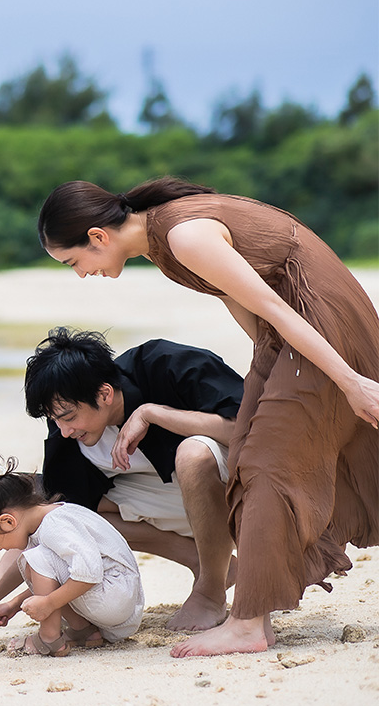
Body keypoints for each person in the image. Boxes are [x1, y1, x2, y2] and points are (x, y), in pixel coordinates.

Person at [36, 176, 379, 658]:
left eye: (74, 262)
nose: (80, 274)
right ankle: (254, 615)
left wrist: (349, 381)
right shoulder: (163, 244)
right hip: (285, 335)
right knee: (250, 455)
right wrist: (266, 370)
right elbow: (240, 303)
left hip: (315, 320)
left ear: (97, 236)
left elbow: (275, 305)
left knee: (266, 463)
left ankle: (248, 624)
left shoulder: (183, 236)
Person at [26, 327, 243, 631]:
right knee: (76, 514)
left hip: (243, 496)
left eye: (69, 417)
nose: (64, 430)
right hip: (188, 509)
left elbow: (250, 431)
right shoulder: (68, 431)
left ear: (105, 394)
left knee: (193, 455)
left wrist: (153, 413)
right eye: (55, 419)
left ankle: (210, 593)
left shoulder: (165, 364)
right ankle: (210, 564)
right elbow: (42, 520)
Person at [0, 454, 144, 657]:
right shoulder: (51, 519)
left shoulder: (55, 526)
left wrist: (49, 603)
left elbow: (88, 573)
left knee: (36, 559)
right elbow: (58, 577)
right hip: (116, 598)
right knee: (37, 561)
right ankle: (83, 630)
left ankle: (49, 638)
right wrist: (15, 604)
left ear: (8, 521)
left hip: (113, 598)